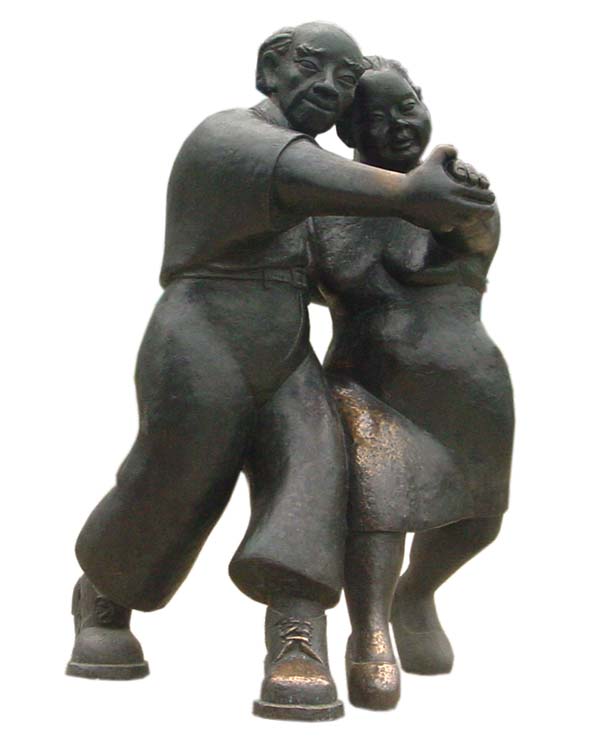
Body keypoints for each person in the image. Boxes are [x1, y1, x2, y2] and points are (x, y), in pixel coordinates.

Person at [66, 26, 495, 720]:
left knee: (314, 467)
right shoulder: (230, 138)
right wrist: (408, 190)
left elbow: (367, 259)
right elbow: (303, 174)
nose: (328, 85)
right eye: (312, 66)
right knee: (178, 474)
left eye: (345, 79)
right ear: (271, 68)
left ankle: (297, 636)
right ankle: (104, 593)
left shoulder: (322, 182)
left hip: (284, 342)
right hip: (202, 331)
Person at [308, 56, 513, 710]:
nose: (397, 125)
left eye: (406, 107)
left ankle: (415, 593)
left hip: (468, 384)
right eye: (375, 118)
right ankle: (369, 631)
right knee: (381, 505)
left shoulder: (456, 187)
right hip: (370, 383)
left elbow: (478, 231)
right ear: (347, 133)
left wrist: (459, 204)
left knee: (479, 520)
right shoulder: (323, 206)